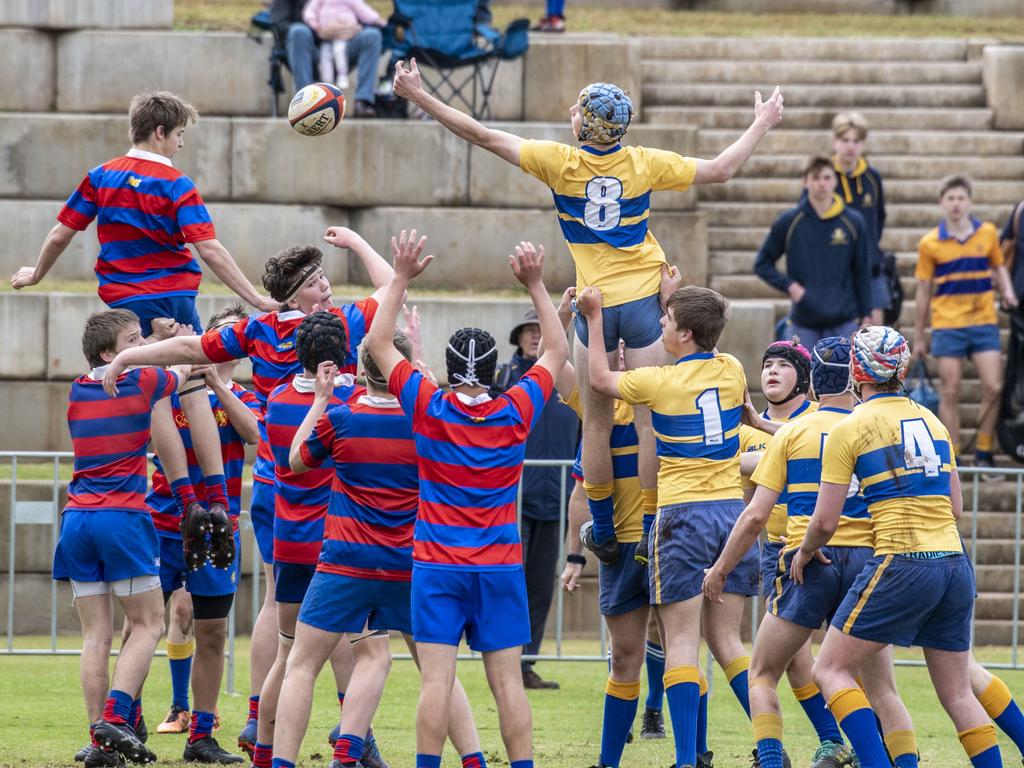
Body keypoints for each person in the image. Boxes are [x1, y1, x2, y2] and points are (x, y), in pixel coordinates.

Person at [393, 60, 783, 568]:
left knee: (594, 426)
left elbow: (483, 136)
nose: (571, 111)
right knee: (648, 425)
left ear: (585, 126)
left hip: (592, 304)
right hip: (645, 304)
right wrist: (761, 123)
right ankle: (647, 527)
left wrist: (420, 97)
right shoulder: (643, 162)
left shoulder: (560, 162)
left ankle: (600, 526)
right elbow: (721, 169)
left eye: (579, 108)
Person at [101, 227, 391, 758]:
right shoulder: (337, 330)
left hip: (277, 486)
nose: (327, 287)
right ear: (296, 294)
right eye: (317, 280)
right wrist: (357, 243)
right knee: (351, 623)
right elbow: (392, 286)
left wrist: (131, 358)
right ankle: (354, 732)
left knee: (282, 617)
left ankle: (263, 720)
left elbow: (192, 346)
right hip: (328, 487)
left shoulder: (260, 335)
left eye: (326, 278)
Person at [13, 90, 274, 598]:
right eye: (179, 136)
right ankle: (213, 498)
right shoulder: (175, 183)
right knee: (194, 383)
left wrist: (37, 272)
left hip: (120, 307)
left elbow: (63, 231)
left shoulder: (101, 175)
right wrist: (255, 300)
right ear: (161, 131)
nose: (180, 145)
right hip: (172, 297)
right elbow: (209, 248)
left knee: (153, 393)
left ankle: (186, 501)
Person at [365, 233, 569, 768]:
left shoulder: (429, 406)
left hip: (436, 563)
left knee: (437, 681)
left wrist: (403, 277)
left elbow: (379, 344)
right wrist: (535, 283)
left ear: (449, 370)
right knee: (508, 685)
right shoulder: (514, 408)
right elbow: (556, 350)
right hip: (500, 565)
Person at [274, 328, 487, 768]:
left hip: (345, 565)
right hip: (410, 565)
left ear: (362, 371)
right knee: (438, 672)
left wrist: (319, 400)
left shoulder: (342, 418)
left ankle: (284, 762)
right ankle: (473, 760)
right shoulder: (427, 422)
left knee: (301, 665)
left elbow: (293, 461)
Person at [793, 326, 1003, 768]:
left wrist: (804, 550)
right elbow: (956, 507)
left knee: (829, 670)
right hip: (954, 562)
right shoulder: (933, 420)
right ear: (901, 369)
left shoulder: (852, 426)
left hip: (903, 559)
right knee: (959, 694)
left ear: (856, 371)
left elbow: (825, 520)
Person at [704, 337, 915, 768]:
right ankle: (885, 758)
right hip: (868, 561)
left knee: (763, 672)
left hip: (806, 557)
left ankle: (771, 758)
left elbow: (755, 516)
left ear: (812, 382)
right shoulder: (877, 427)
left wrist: (721, 569)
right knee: (880, 687)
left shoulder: (796, 432)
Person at [577, 281, 760, 768]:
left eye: (666, 320)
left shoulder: (654, 383)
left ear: (684, 332)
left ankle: (675, 759)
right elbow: (701, 337)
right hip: (728, 514)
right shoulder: (733, 369)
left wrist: (595, 318)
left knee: (668, 647)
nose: (658, 325)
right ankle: (769, 746)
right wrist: (670, 302)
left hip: (673, 518)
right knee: (725, 643)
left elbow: (596, 378)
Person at [56, 310, 191, 768]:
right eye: (131, 341)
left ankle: (97, 741)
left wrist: (145, 337)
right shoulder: (143, 384)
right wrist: (184, 336)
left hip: (76, 521)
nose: (141, 347)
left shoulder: (77, 389)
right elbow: (185, 366)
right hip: (122, 518)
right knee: (150, 623)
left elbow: (133, 358)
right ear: (110, 355)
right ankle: (114, 717)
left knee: (96, 634)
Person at [145, 305, 260, 764]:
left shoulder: (245, 396)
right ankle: (128, 717)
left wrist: (216, 385)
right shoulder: (171, 389)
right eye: (220, 336)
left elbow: (254, 435)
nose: (226, 345)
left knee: (212, 630)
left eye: (236, 338)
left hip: (218, 528)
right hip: (162, 521)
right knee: (144, 625)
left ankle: (202, 733)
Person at [491, 307, 579, 690]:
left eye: (540, 329)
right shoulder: (507, 378)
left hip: (558, 498)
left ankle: (527, 663)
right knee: (511, 581)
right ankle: (505, 660)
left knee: (541, 585)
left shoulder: (571, 382)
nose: (533, 336)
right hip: (516, 499)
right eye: (529, 330)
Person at [912, 175, 1018, 475]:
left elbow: (998, 267)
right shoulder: (930, 242)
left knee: (994, 386)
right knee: (950, 390)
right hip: (947, 324)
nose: (956, 204)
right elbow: (923, 289)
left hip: (983, 320)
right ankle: (953, 457)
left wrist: (1007, 291)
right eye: (951, 198)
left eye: (961, 198)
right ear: (942, 202)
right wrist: (919, 336)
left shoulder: (986, 233)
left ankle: (984, 451)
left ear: (969, 201)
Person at [754, 156, 872, 349]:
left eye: (827, 178)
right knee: (802, 378)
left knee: (843, 378)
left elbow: (862, 270)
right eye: (816, 178)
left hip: (843, 320)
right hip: (803, 321)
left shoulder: (853, 221)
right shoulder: (790, 221)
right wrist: (791, 286)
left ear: (835, 180)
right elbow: (762, 263)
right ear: (805, 182)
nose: (822, 184)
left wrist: (866, 314)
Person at [271, 0, 382, 117]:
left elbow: (363, 13)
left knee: (372, 35)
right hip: (306, 53)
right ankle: (305, 103)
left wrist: (355, 28)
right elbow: (279, 24)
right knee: (299, 31)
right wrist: (318, 30)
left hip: (342, 52)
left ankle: (363, 103)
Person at [832, 112, 888, 325]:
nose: (850, 146)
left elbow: (879, 217)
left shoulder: (872, 178)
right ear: (834, 142)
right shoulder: (824, 177)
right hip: (836, 268)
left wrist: (870, 248)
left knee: (875, 334)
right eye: (845, 140)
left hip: (870, 267)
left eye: (856, 141)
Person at [302, 0, 384, 92]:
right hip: (325, 39)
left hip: (343, 37)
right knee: (324, 56)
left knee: (339, 51)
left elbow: (363, 11)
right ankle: (327, 84)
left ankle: (342, 76)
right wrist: (316, 26)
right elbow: (310, 11)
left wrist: (377, 19)